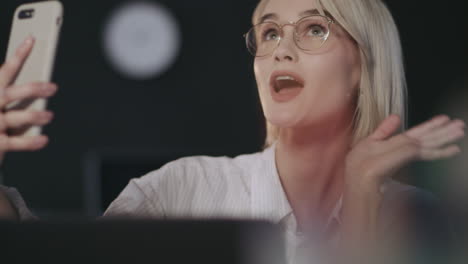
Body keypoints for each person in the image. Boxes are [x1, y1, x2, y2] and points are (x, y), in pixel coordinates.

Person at [0, 0, 465, 263]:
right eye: (268, 33)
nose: (281, 50)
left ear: (364, 64)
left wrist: (362, 192)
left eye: (314, 29)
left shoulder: (415, 215)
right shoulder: (179, 190)